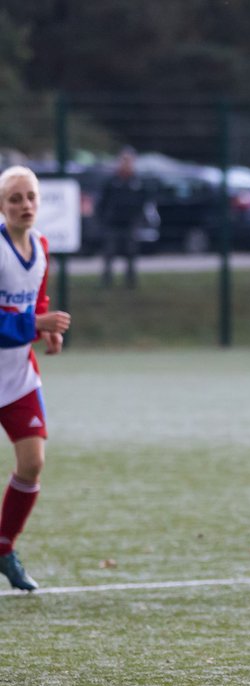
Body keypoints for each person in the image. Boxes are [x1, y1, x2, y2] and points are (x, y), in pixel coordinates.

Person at [0, 167, 73, 591]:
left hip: (18, 377)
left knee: (33, 463)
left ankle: (4, 546)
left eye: (31, 197)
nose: (25, 205)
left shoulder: (42, 246)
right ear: (1, 205)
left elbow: (35, 298)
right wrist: (34, 322)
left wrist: (45, 328)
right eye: (15, 198)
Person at [97, 148, 151, 290]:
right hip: (113, 223)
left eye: (129, 161)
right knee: (109, 253)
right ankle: (106, 281)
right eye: (124, 160)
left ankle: (130, 282)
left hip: (130, 224)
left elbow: (144, 201)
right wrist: (104, 218)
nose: (126, 164)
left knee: (131, 253)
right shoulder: (112, 182)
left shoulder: (137, 182)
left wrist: (138, 218)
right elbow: (102, 202)